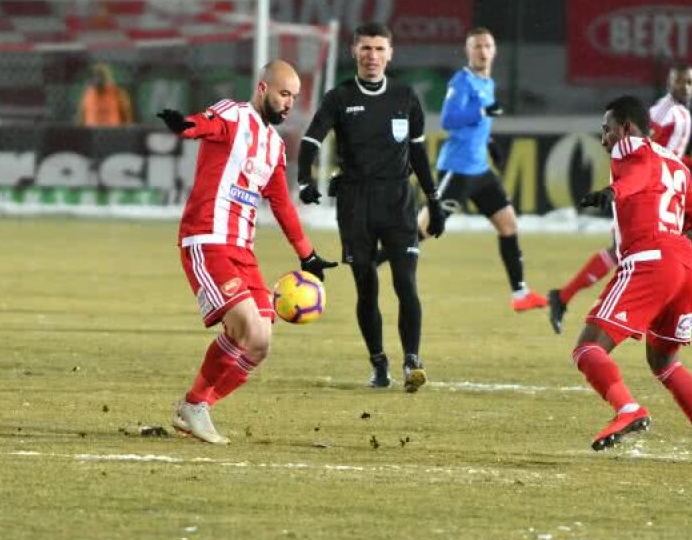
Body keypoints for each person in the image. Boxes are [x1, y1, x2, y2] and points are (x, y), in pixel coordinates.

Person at [157, 60, 336, 445]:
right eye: (283, 94)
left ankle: (196, 405)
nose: (289, 103)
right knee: (247, 328)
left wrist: (307, 255)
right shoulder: (233, 115)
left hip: (243, 250)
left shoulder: (274, 145)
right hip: (208, 239)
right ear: (262, 88)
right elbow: (203, 125)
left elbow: (282, 203)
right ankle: (195, 407)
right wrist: (183, 126)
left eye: (294, 97)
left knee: (260, 342)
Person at [571, 95, 692, 464]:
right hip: (685, 266)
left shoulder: (629, 149)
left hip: (649, 261)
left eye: (607, 130)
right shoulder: (677, 165)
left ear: (626, 128)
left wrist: (612, 192)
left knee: (587, 348)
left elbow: (637, 177)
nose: (604, 139)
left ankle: (628, 409)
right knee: (664, 362)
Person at [296, 22, 445, 392]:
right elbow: (311, 140)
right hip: (355, 204)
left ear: (390, 54)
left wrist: (434, 200)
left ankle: (412, 360)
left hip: (398, 201)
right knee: (366, 286)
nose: (372, 56)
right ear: (354, 52)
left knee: (406, 283)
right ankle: (379, 363)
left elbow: (417, 153)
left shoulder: (405, 96)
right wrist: (304, 180)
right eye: (366, 48)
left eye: (379, 49)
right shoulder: (339, 97)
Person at [548, 63, 692, 333]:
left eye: (689, 82)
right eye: (680, 81)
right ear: (669, 82)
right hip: (647, 189)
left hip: (659, 186)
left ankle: (684, 301)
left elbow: (662, 152)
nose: (685, 87)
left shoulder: (679, 112)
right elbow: (649, 150)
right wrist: (687, 167)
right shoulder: (665, 113)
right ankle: (682, 302)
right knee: (629, 249)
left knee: (682, 240)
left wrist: (691, 165)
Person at [424, 27, 548, 313]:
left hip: (481, 170)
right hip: (457, 169)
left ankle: (520, 294)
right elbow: (448, 120)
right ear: (468, 51)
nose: (482, 51)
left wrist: (490, 143)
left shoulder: (487, 82)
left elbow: (479, 125)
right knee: (427, 229)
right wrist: (481, 112)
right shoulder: (461, 81)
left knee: (508, 225)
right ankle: (375, 260)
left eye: (487, 46)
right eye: (477, 46)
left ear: (494, 51)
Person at [76, 62, 135, 126]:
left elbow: (128, 119)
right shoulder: (87, 95)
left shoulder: (118, 93)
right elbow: (80, 120)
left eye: (100, 76)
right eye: (94, 76)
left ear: (107, 77)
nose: (97, 80)